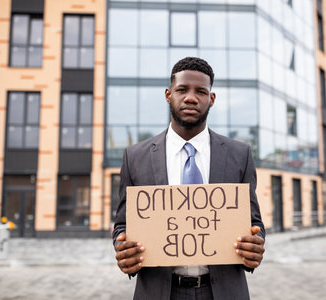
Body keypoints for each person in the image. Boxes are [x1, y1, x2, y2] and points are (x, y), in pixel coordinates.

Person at [113, 57, 265, 300]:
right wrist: (122, 249)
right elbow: (123, 224)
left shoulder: (240, 154)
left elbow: (254, 222)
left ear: (211, 99)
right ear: (168, 94)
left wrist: (255, 244)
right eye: (182, 90)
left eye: (201, 91)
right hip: (159, 291)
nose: (191, 97)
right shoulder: (135, 157)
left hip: (223, 291)